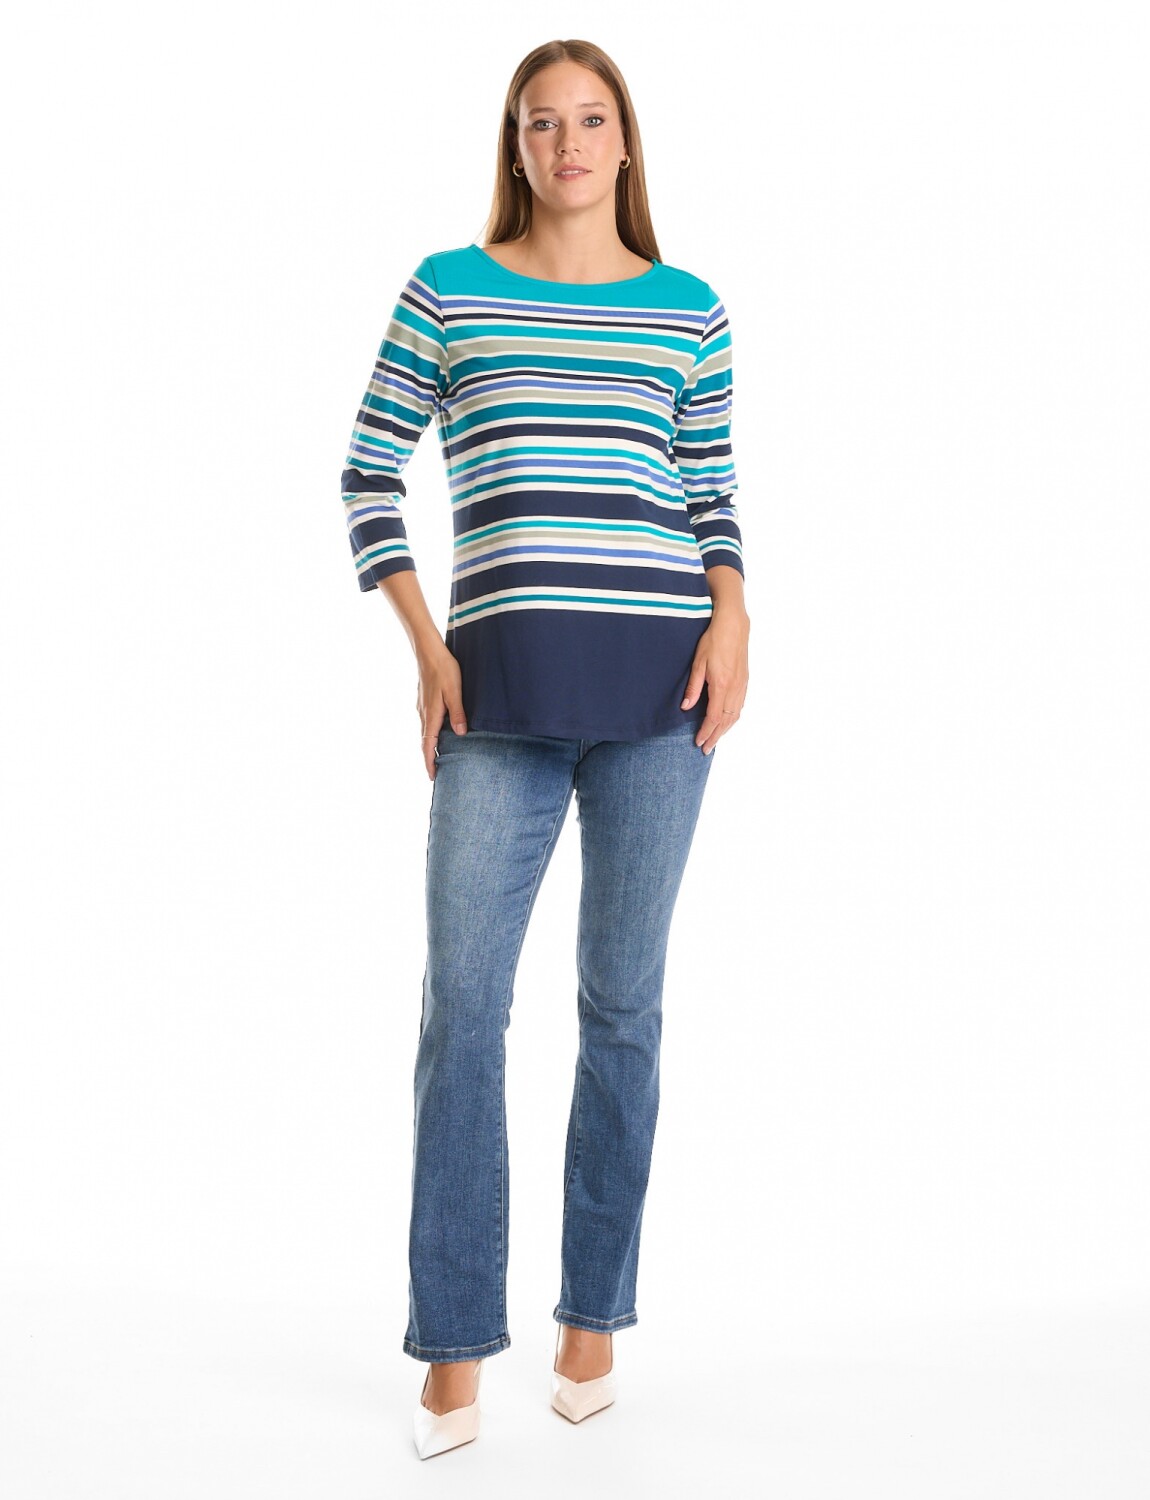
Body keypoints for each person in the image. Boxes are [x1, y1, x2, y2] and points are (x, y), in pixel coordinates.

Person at [339, 37, 750, 1459]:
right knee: (463, 1012)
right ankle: (453, 1342)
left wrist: (736, 616)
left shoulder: (689, 310)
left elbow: (709, 490)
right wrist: (427, 645)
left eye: (589, 119)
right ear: (514, 146)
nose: (567, 143)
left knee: (623, 1010)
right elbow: (365, 475)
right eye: (540, 123)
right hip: (493, 702)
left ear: (624, 141)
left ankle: (591, 1320)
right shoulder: (448, 290)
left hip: (662, 703)